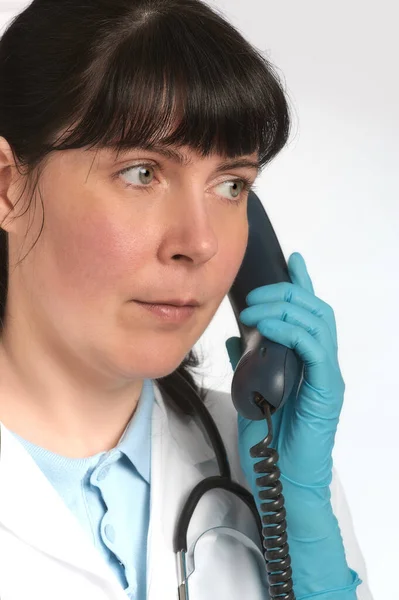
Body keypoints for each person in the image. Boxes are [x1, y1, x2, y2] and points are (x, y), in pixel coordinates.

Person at [0, 1, 373, 599]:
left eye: (231, 186)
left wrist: (307, 540)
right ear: (8, 187)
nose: (199, 243)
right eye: (142, 173)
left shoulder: (270, 470)